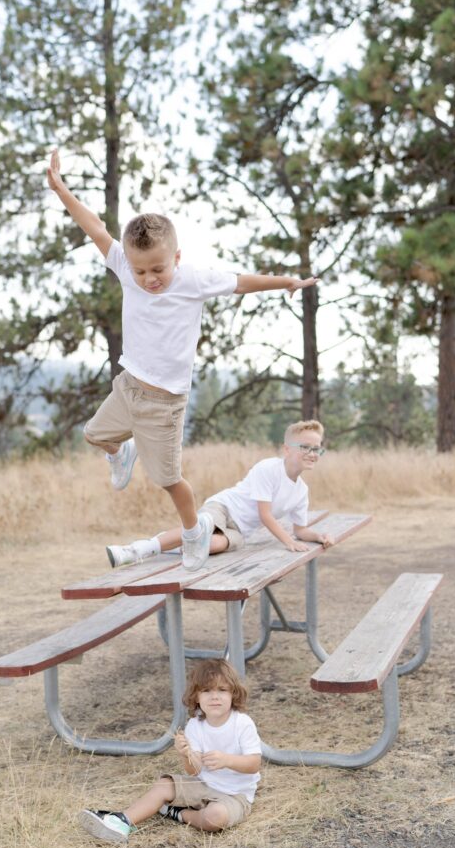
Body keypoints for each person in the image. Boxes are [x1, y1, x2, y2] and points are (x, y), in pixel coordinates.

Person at [47, 149, 318, 571]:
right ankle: (122, 453)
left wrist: (285, 281)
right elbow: (94, 226)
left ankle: (193, 532)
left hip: (165, 403)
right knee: (94, 435)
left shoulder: (193, 280)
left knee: (169, 481)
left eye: (157, 269)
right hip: (128, 386)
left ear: (175, 257)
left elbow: (241, 282)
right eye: (140, 273)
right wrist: (61, 188)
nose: (149, 279)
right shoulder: (124, 264)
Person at [105, 419, 333, 568]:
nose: (312, 453)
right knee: (202, 529)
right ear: (287, 449)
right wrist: (287, 543)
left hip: (241, 530)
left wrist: (319, 537)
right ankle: (136, 550)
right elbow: (266, 515)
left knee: (211, 546)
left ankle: (178, 542)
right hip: (224, 508)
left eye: (316, 448)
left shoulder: (301, 491)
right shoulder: (269, 468)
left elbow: (300, 530)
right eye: (305, 447)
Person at [79, 659, 261, 843]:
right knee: (164, 784)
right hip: (203, 784)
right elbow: (194, 771)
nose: (215, 696)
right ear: (197, 696)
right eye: (207, 691)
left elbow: (254, 764)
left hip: (235, 795)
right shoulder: (195, 725)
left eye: (222, 690)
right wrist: (185, 754)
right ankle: (122, 821)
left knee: (215, 817)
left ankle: (179, 813)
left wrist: (227, 760)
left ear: (233, 693)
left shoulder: (242, 723)